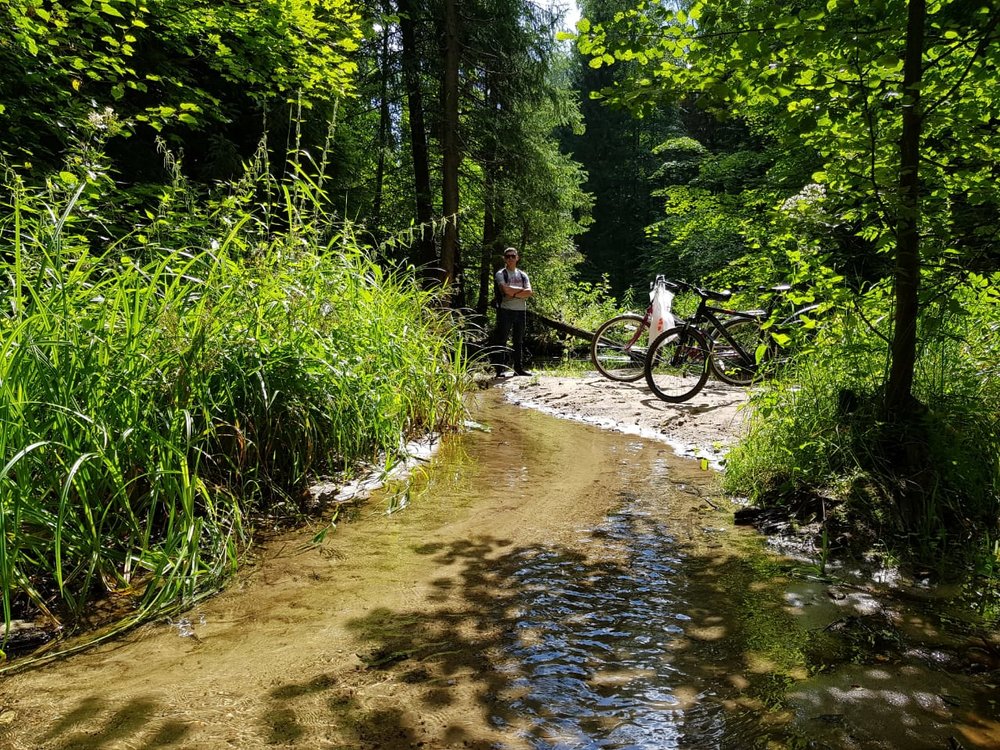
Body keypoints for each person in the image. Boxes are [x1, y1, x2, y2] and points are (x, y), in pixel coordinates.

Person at [494, 247, 534, 376]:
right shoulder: (501, 274)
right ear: (504, 259)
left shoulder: (523, 275)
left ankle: (518, 369)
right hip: (505, 311)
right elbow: (505, 291)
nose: (510, 259)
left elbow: (529, 292)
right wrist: (519, 292)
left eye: (512, 256)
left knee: (518, 341)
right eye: (507, 256)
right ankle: (500, 370)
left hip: (521, 311)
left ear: (517, 258)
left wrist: (513, 293)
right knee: (502, 340)